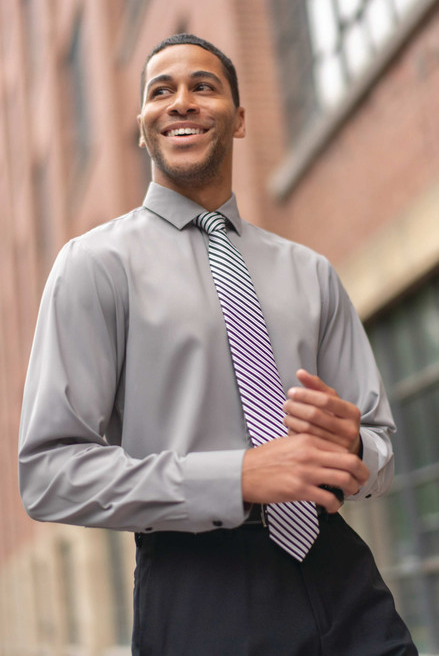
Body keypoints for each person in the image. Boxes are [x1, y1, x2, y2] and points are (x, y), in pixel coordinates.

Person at [19, 34, 417, 655]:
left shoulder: (309, 271)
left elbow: (381, 449)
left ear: (238, 118)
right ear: (142, 126)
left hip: (340, 572)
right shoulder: (94, 266)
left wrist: (353, 448)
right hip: (199, 588)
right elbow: (48, 474)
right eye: (161, 91)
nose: (181, 102)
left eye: (203, 86)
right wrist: (236, 476)